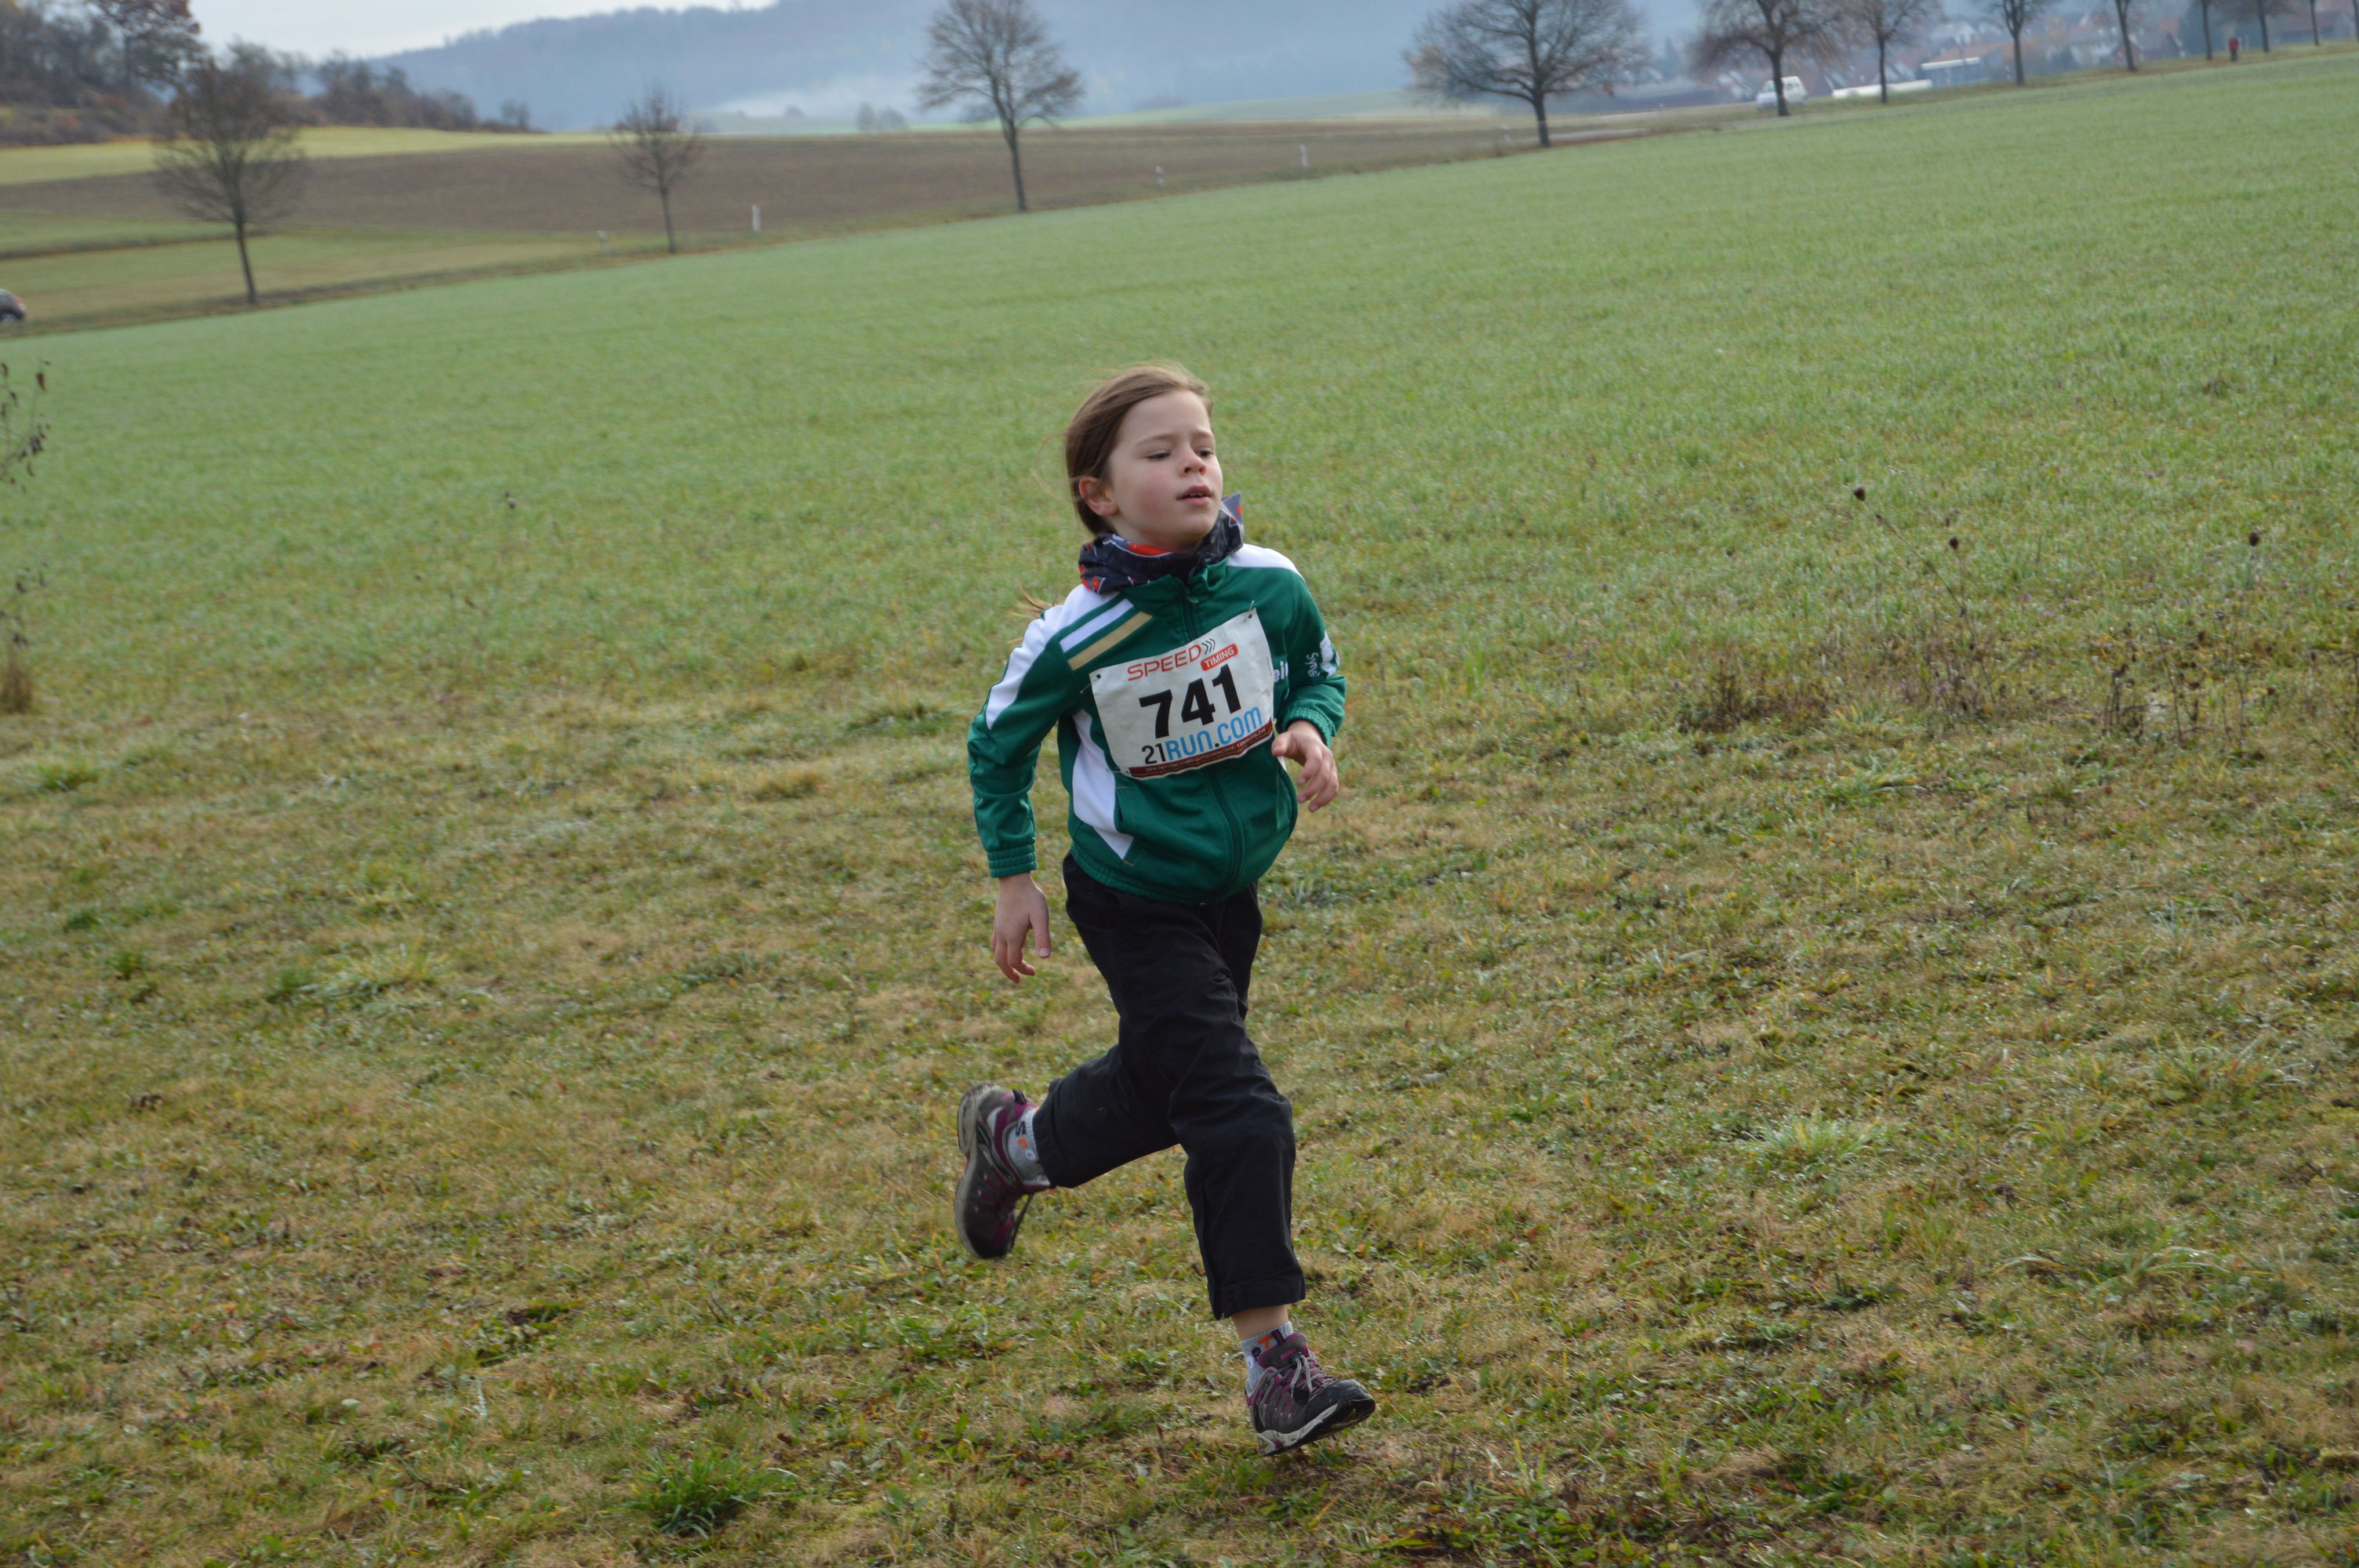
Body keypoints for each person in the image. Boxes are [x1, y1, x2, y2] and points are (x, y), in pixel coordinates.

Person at [956, 363, 1376, 1456]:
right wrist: (1014, 875)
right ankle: (1276, 1369)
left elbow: (1315, 669)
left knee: (1170, 1086)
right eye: (1160, 452)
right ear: (1099, 494)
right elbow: (996, 746)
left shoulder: (1268, 584)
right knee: (1240, 1111)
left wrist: (1311, 728)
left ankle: (1016, 1145)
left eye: (1204, 444)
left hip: (1230, 891)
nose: (1194, 464)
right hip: (1133, 900)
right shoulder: (1075, 637)